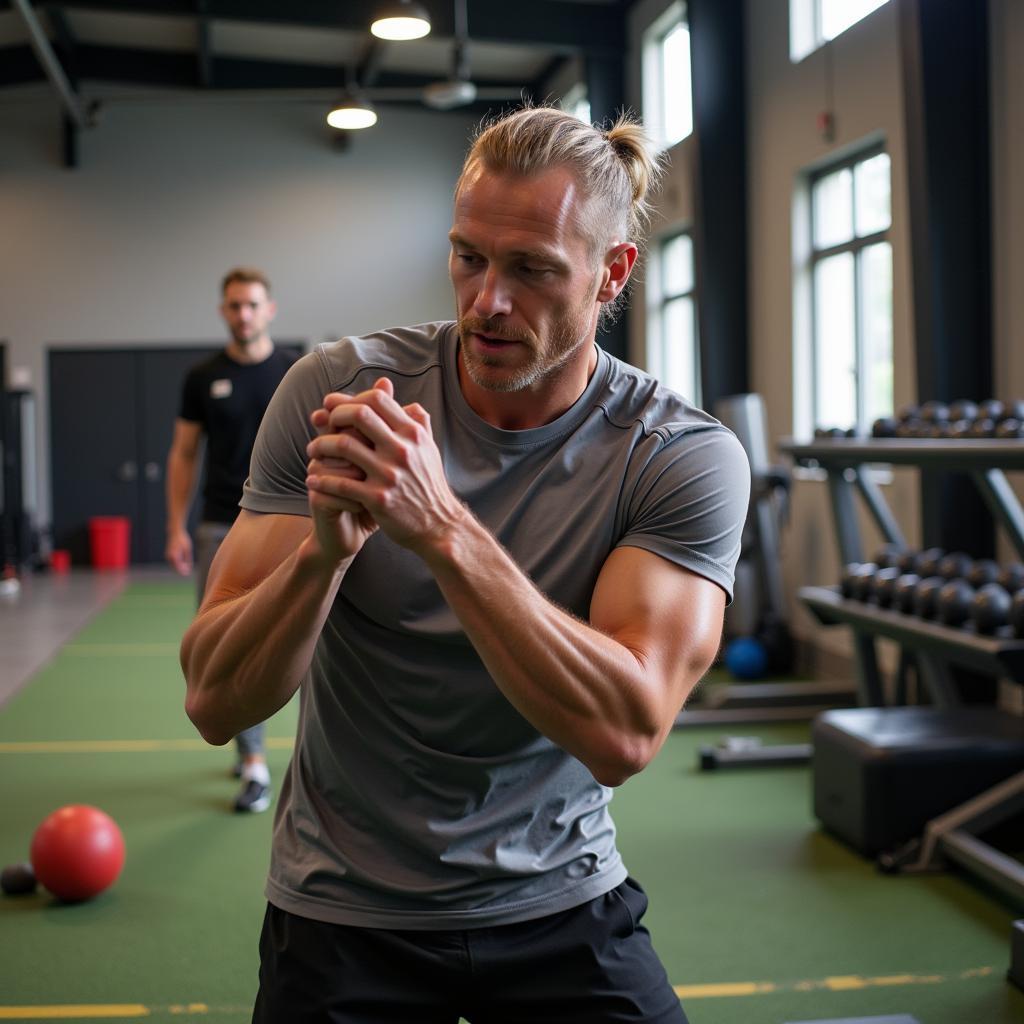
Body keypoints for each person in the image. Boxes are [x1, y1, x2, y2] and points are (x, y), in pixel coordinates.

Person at [181, 107, 750, 1021]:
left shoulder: (674, 453)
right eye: (469, 257)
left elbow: (627, 732)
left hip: (560, 901)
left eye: (531, 269)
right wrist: (323, 558)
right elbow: (214, 701)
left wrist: (444, 530)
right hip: (342, 911)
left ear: (613, 273)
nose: (488, 300)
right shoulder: (338, 394)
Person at [166, 267, 297, 814]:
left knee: (308, 639)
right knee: (227, 646)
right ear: (224, 311)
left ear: (270, 310)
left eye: (252, 304)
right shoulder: (202, 377)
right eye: (234, 305)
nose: (243, 313)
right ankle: (253, 763)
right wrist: (176, 525)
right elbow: (184, 452)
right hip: (221, 526)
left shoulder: (297, 372)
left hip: (291, 524)